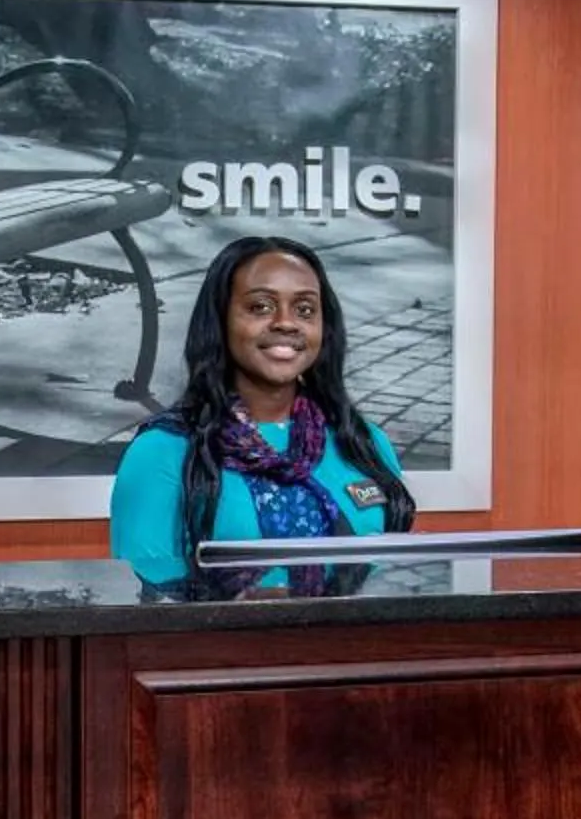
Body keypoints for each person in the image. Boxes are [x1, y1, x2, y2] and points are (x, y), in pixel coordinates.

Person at [109, 236, 416, 586]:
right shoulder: (163, 452)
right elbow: (146, 609)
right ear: (220, 321)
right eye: (260, 307)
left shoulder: (363, 443)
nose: (287, 323)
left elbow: (389, 584)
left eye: (305, 310)